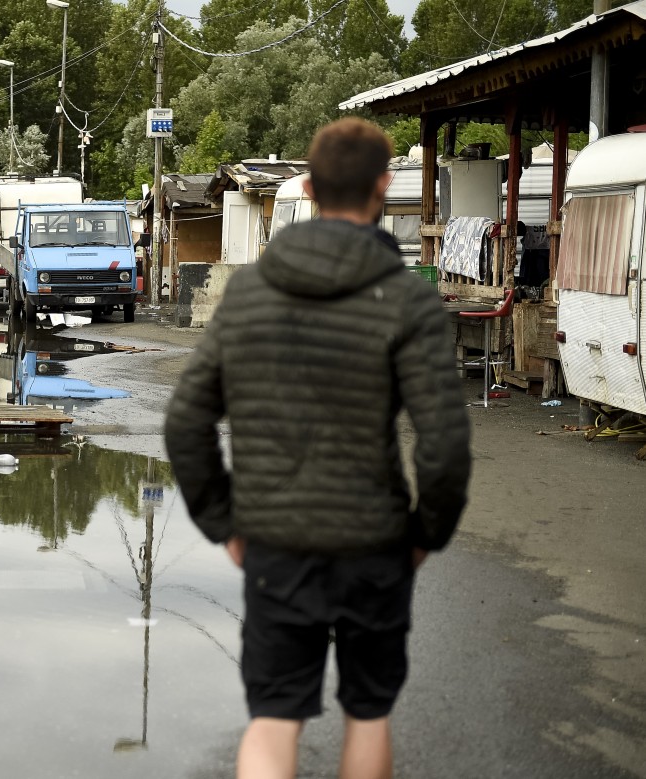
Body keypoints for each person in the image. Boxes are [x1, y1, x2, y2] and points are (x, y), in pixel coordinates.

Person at [163, 118, 472, 779]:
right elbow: (444, 443)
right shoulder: (407, 300)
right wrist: (424, 534)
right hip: (374, 543)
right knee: (367, 713)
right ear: (383, 187)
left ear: (307, 184)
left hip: (276, 542)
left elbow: (186, 420)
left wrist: (226, 522)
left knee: (274, 716)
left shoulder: (248, 293)